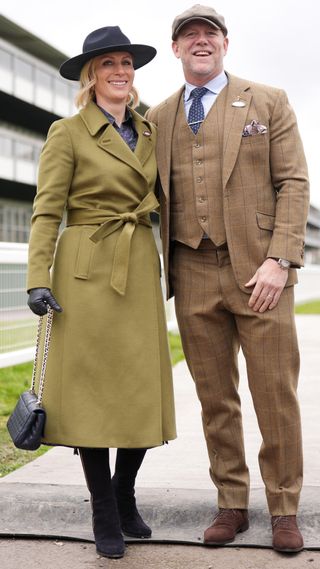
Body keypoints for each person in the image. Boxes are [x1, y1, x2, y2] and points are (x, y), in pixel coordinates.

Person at [146, 4, 309, 553]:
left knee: (275, 397)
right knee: (215, 400)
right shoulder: (159, 116)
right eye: (188, 35)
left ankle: (284, 507)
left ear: (224, 43)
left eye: (208, 34)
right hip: (191, 270)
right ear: (175, 48)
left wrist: (280, 259)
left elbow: (294, 183)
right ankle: (231, 504)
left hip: (259, 274)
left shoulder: (268, 100)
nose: (199, 41)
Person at [26, 25, 176, 559]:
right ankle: (103, 510)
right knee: (90, 391)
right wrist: (38, 279)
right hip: (85, 270)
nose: (120, 72)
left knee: (138, 387)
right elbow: (46, 210)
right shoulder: (67, 131)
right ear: (91, 75)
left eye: (127, 64)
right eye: (109, 64)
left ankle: (125, 492)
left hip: (136, 266)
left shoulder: (152, 130)